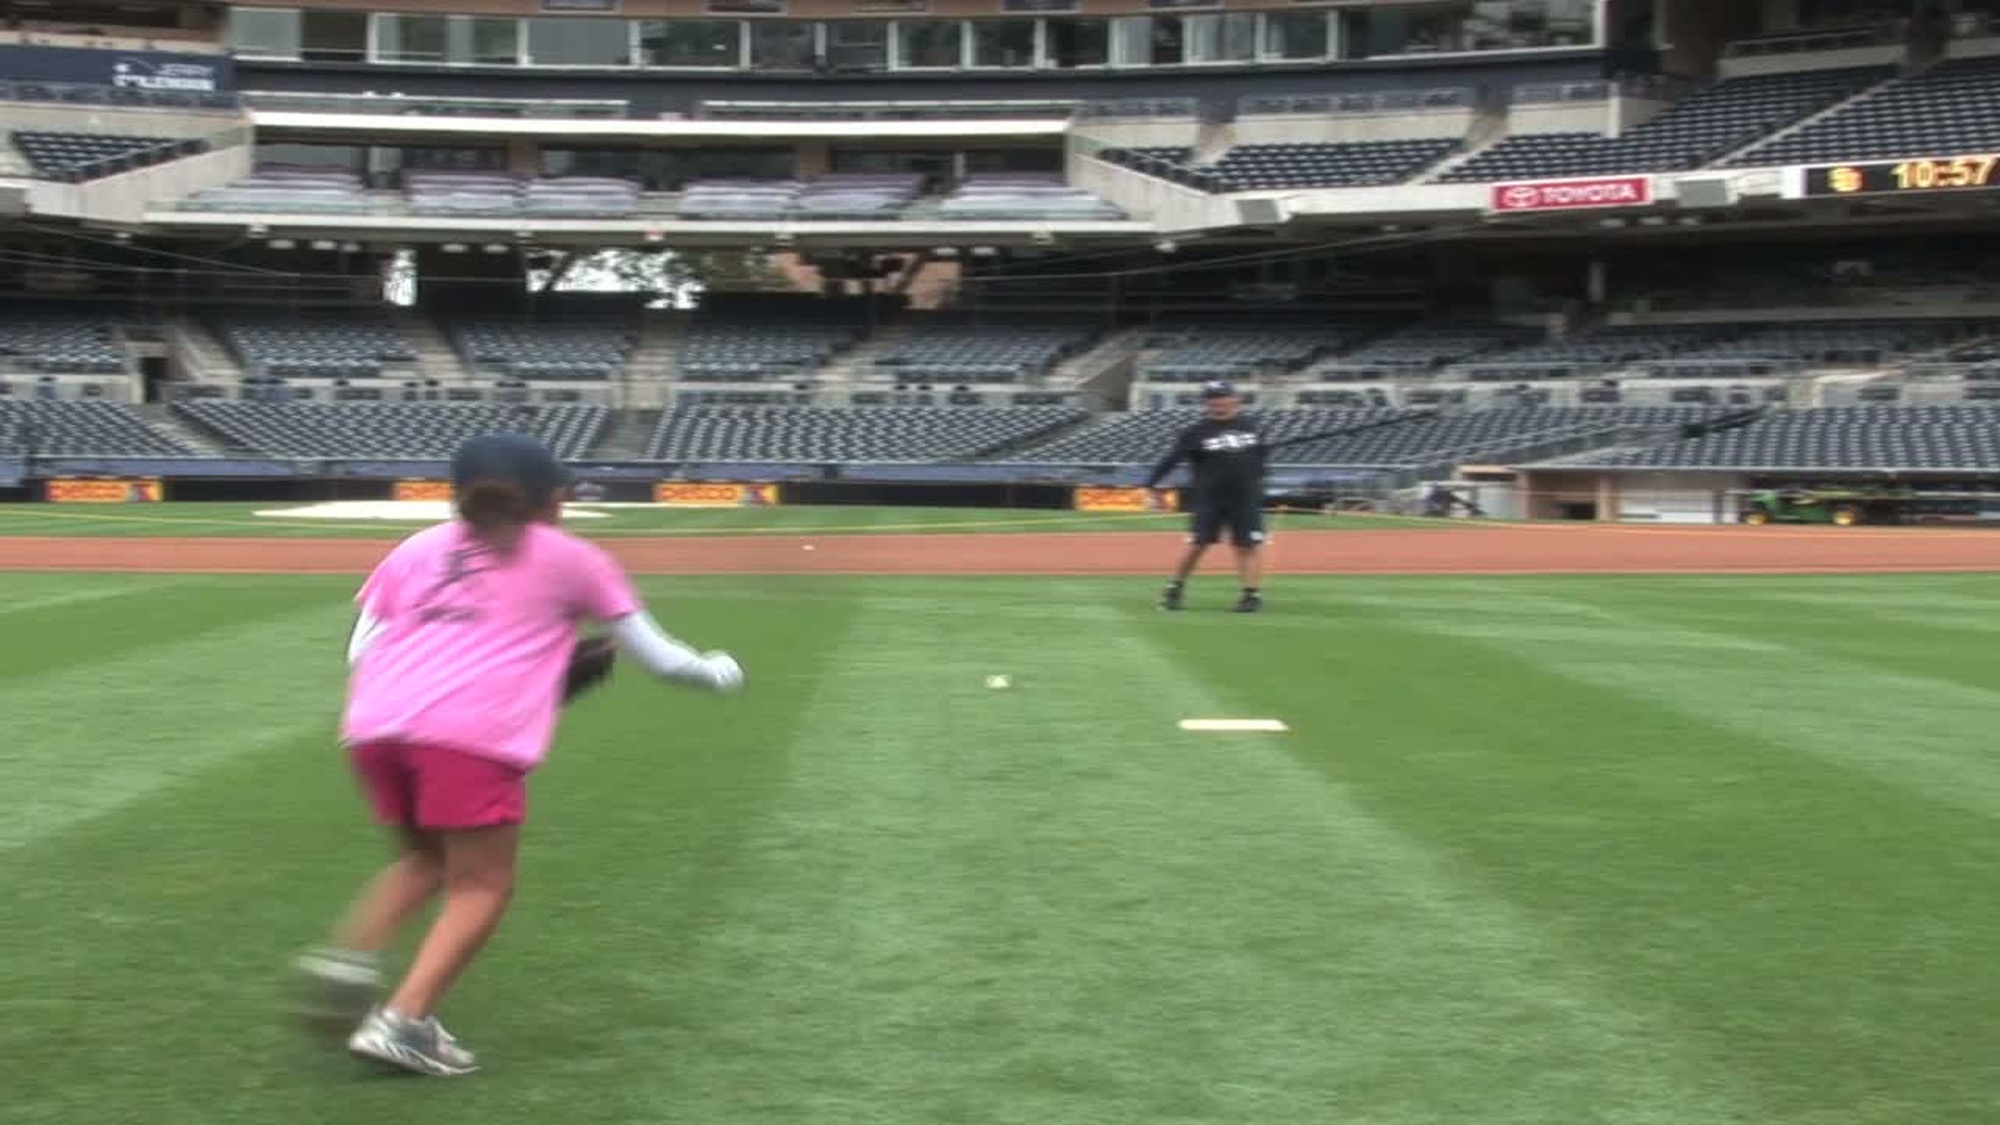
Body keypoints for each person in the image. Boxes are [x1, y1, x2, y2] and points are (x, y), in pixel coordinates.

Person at [293, 433, 744, 1077]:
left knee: (425, 859)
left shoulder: (417, 547)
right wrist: (722, 671)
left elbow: (363, 650)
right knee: (483, 886)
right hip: (469, 739)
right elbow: (664, 659)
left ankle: (348, 959)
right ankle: (404, 1022)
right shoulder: (573, 558)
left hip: (373, 728)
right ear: (554, 501)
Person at [1146, 381, 1269, 613]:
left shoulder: (1253, 427)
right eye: (1212, 398)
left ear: (1235, 399)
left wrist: (1255, 483)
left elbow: (1261, 459)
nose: (1218, 402)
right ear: (1206, 402)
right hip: (1209, 498)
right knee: (1198, 544)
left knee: (1247, 545)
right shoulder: (1195, 432)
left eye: (1223, 397)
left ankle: (1251, 595)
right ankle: (1175, 588)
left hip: (1244, 497)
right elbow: (1171, 459)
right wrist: (1151, 484)